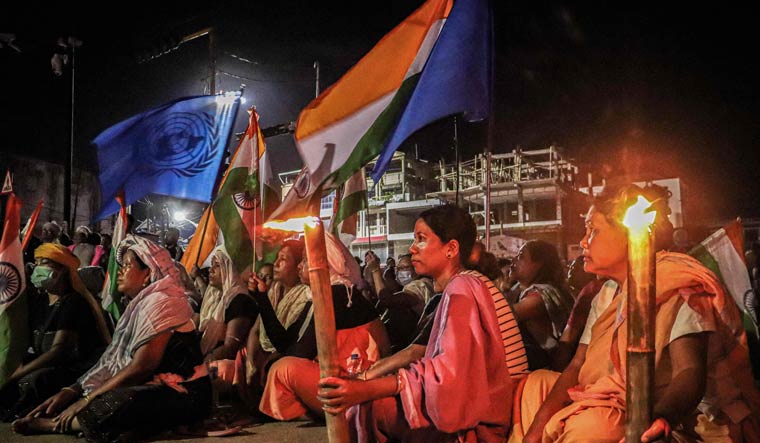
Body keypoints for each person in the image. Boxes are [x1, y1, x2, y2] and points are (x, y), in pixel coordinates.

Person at [513, 184, 760, 443]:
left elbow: (689, 372)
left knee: (595, 427)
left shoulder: (675, 285)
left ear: (629, 234)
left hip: (683, 419)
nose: (584, 241)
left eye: (593, 231)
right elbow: (577, 365)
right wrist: (534, 432)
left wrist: (661, 417)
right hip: (617, 399)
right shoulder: (607, 293)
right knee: (536, 384)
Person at [317, 205, 512, 442]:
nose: (412, 249)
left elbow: (447, 376)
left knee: (370, 407)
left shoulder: (463, 288)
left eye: (421, 239)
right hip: (478, 409)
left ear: (451, 249)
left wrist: (365, 387)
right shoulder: (462, 286)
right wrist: (365, 381)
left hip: (477, 422)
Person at [12, 235, 211, 442]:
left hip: (184, 393)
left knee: (120, 399)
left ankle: (57, 426)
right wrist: (72, 390)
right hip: (148, 385)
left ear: (147, 274)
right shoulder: (139, 306)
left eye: (127, 266)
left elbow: (141, 367)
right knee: (90, 392)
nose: (121, 272)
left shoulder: (164, 304)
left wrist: (87, 399)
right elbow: (111, 360)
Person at [254, 231, 390, 422]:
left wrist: (274, 359)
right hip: (345, 376)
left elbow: (300, 352)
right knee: (280, 365)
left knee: (283, 368)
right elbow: (285, 343)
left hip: (359, 381)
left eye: (305, 260)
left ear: (324, 263)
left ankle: (320, 414)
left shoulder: (339, 294)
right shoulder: (319, 296)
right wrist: (261, 297)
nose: (301, 266)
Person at [0, 244, 109, 421]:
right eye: (36, 263)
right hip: (44, 360)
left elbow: (58, 352)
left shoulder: (73, 302)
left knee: (32, 380)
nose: (37, 268)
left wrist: (17, 374)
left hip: (73, 368)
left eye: (44, 263)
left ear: (63, 270)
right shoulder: (41, 300)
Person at [508, 240, 574, 370]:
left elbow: (504, 316)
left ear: (539, 264)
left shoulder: (541, 295)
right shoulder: (521, 290)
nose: (514, 259)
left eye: (521, 256)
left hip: (543, 372)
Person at [198, 248, 257, 363]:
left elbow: (230, 348)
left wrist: (201, 366)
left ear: (230, 269)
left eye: (217, 265)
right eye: (211, 265)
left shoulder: (240, 300)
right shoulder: (216, 298)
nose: (211, 270)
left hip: (221, 365)